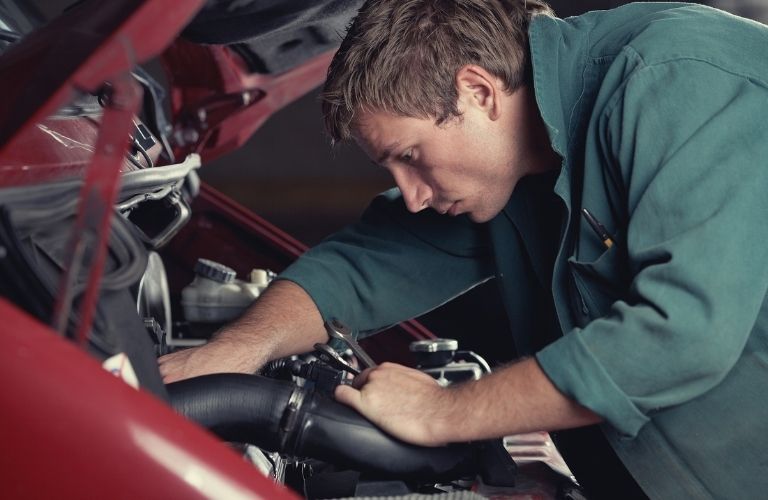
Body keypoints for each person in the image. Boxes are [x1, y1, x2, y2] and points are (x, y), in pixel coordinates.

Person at [159, 1, 768, 498]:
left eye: (410, 157)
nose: (412, 196)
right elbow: (360, 265)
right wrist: (233, 353)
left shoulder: (676, 79)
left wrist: (443, 411)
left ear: (478, 92)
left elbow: (680, 337)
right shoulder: (505, 172)